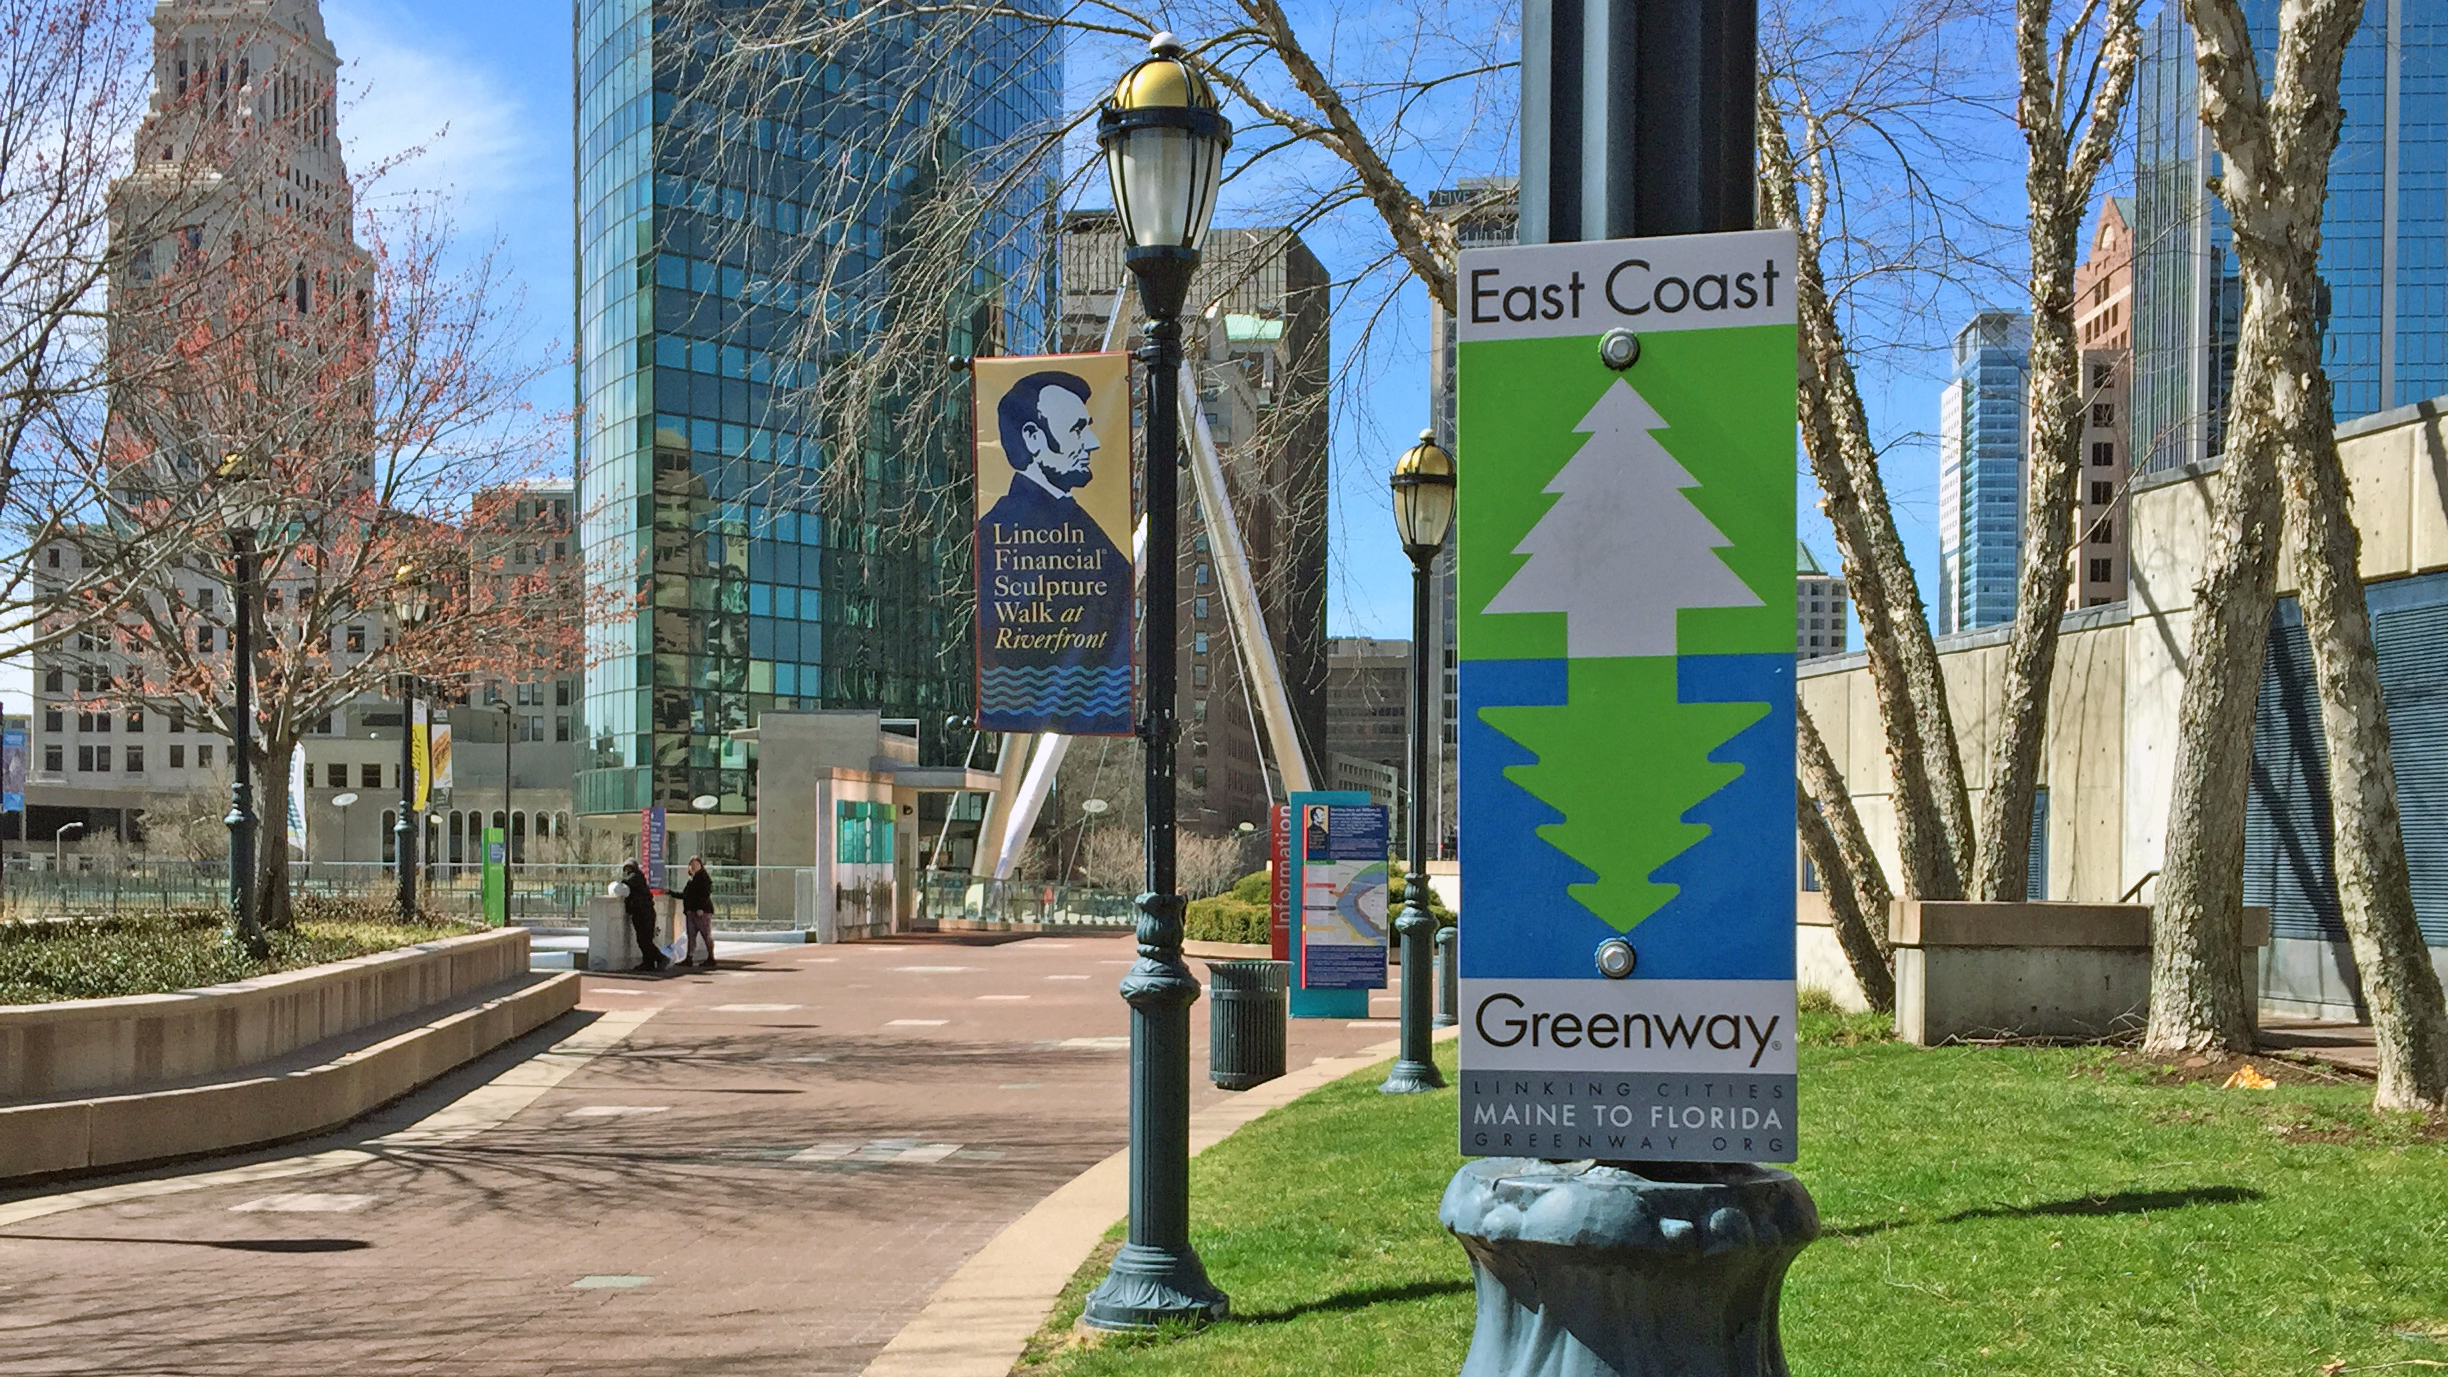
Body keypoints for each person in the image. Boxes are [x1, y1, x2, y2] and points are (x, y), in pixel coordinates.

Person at [976, 369, 1134, 734]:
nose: (1094, 442)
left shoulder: (1088, 530)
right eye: (1077, 429)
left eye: (1089, 427)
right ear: (1033, 438)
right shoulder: (995, 532)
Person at [618, 860, 666, 972]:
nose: (627, 871)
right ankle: (648, 962)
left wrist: (619, 882)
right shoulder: (638, 879)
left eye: (629, 868)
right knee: (643, 940)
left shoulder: (637, 877)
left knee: (644, 940)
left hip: (644, 913)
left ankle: (661, 958)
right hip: (641, 913)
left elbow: (627, 881)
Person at [679, 856, 716, 969]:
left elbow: (705, 894)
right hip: (691, 911)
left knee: (706, 934)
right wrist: (671, 893)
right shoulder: (692, 879)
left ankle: (711, 957)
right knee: (691, 935)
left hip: (701, 912)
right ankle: (689, 958)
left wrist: (701, 908)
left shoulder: (704, 878)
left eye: (696, 864)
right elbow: (686, 895)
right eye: (692, 865)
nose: (693, 867)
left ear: (701, 865)